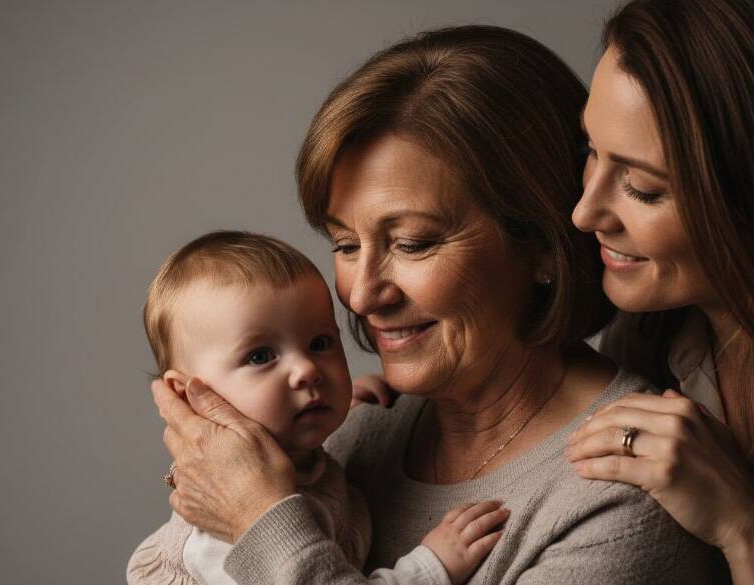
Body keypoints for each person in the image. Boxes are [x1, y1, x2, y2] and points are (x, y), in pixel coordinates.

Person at [148, 26, 729, 585]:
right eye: (346, 245)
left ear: (543, 245)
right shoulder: (348, 427)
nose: (362, 293)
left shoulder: (622, 497)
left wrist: (257, 518)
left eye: (413, 243)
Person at [566, 0, 754, 584]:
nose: (585, 212)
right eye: (590, 153)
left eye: (643, 187)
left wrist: (749, 530)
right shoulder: (651, 344)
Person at [127, 231, 508, 585]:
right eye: (260, 356)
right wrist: (429, 567)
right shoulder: (219, 542)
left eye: (320, 343)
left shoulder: (303, 463)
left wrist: (347, 408)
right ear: (187, 394)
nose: (308, 370)